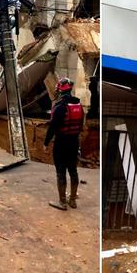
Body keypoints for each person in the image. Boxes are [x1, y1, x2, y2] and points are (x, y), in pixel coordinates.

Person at [44, 77, 85, 210]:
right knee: (73, 171)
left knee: (61, 172)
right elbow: (80, 127)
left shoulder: (60, 107)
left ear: (60, 91)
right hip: (74, 143)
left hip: (61, 144)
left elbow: (53, 127)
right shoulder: (79, 106)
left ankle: (62, 202)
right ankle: (72, 201)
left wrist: (46, 143)